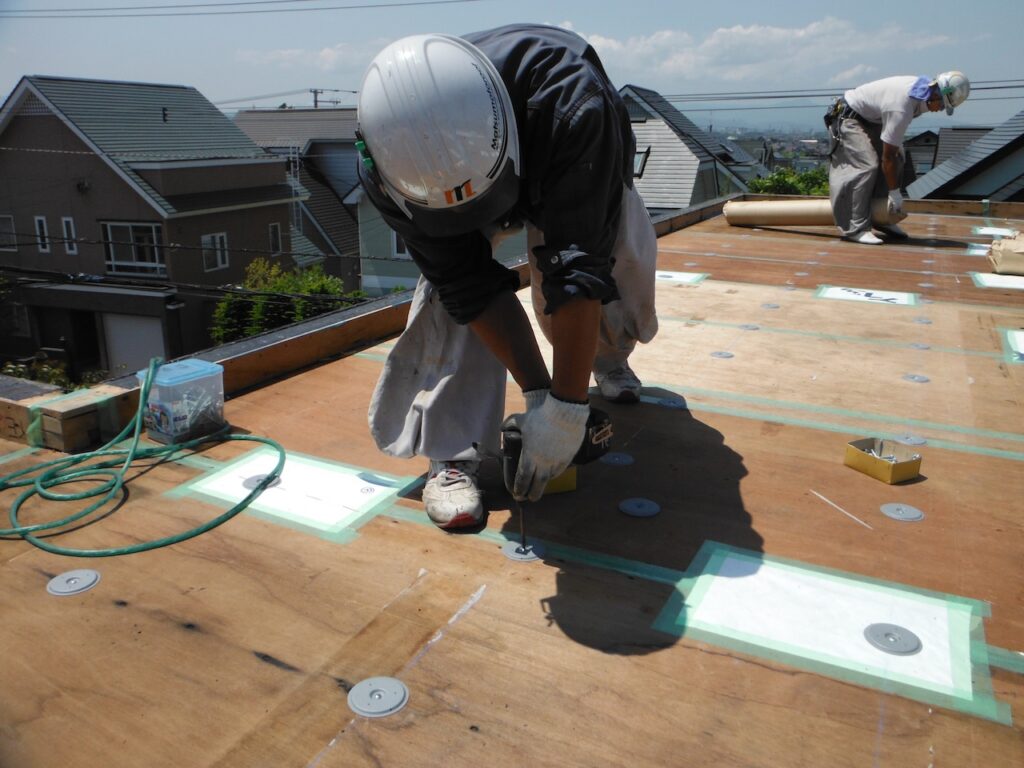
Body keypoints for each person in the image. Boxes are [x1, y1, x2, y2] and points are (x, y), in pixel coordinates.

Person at [355, 24, 658, 529]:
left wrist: (565, 409)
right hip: (473, 168)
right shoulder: (385, 163)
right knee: (444, 302)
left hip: (564, 151)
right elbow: (467, 285)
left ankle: (606, 361)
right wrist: (541, 393)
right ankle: (453, 448)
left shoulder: (573, 107)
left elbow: (576, 266)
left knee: (621, 254)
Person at [826, 71, 970, 244]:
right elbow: (887, 157)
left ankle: (881, 216)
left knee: (900, 157)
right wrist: (894, 193)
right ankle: (855, 227)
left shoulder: (921, 92)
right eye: (942, 104)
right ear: (936, 94)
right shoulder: (901, 106)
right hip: (848, 117)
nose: (940, 109)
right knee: (867, 165)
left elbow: (893, 154)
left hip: (870, 119)